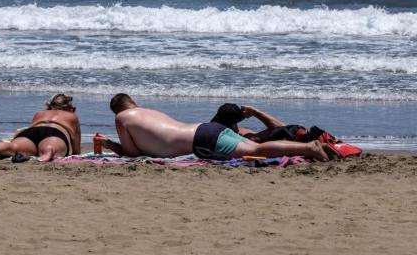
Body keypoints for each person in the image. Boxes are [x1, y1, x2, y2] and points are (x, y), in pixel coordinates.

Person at [93, 93, 331, 161]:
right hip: (205, 129)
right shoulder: (148, 112)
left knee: (256, 151)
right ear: (133, 102)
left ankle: (309, 148)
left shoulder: (122, 118)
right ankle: (308, 147)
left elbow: (134, 153)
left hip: (202, 140)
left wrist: (111, 144)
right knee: (254, 146)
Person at [0, 93, 81, 162]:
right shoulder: (72, 116)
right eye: (73, 108)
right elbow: (76, 149)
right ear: (68, 107)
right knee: (50, 146)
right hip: (55, 132)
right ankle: (49, 151)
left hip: (31, 132)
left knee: (14, 147)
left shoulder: (39, 114)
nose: (73, 110)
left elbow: (36, 131)